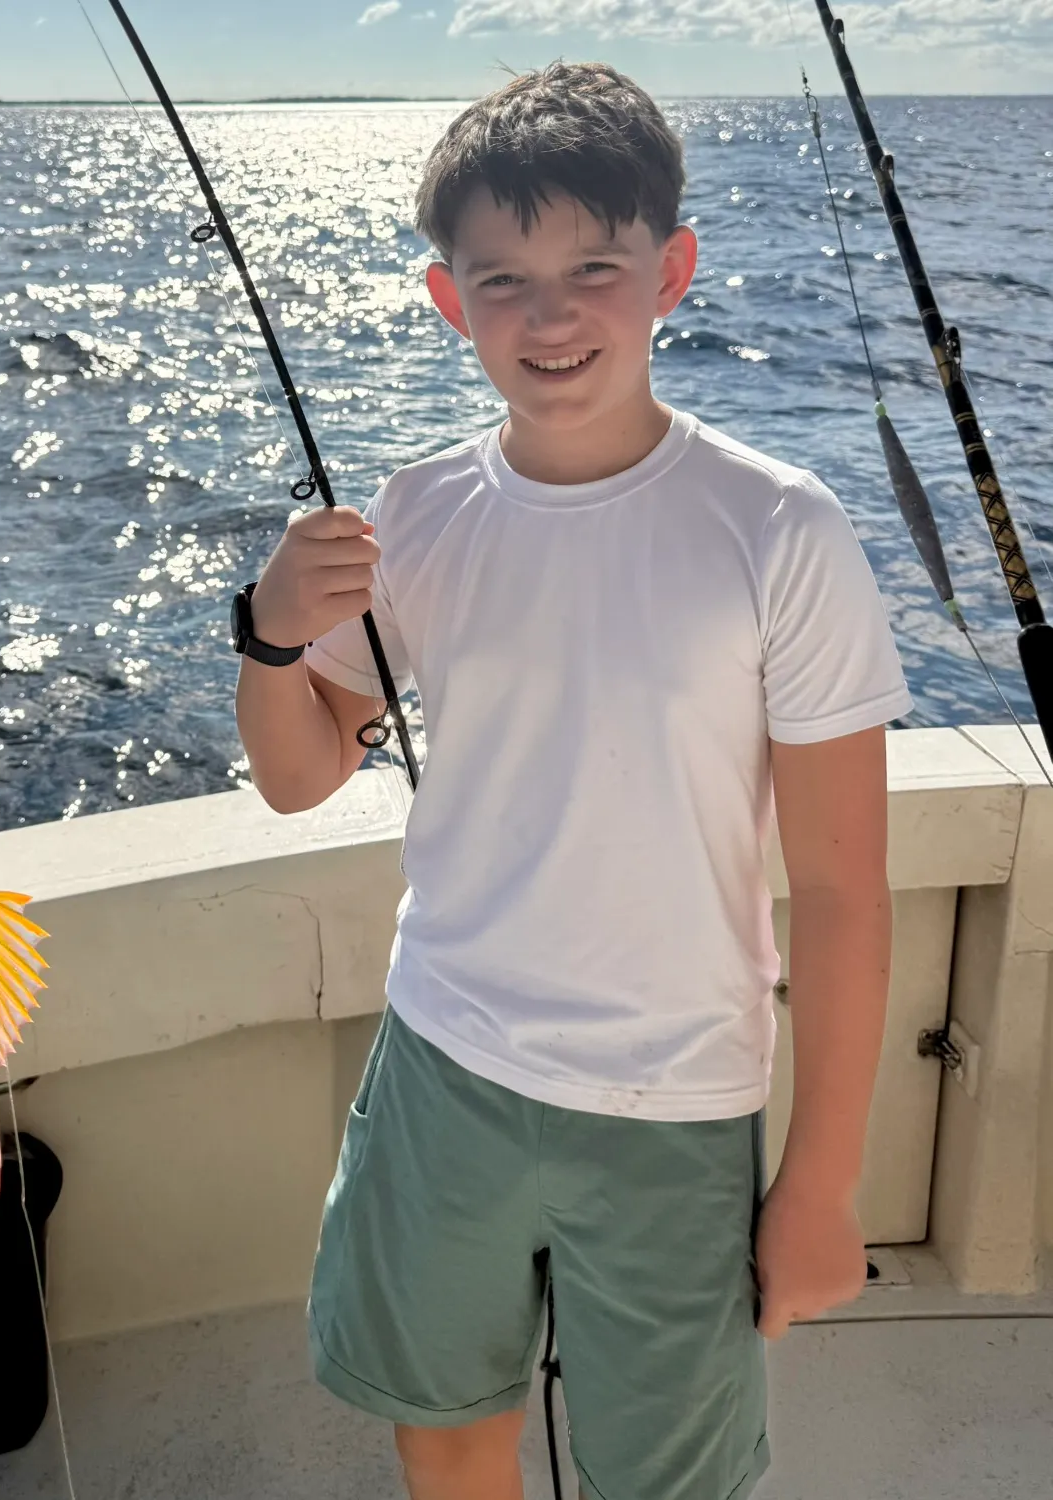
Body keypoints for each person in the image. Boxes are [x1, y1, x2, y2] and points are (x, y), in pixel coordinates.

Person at [229, 59, 910, 1500]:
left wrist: (821, 1185)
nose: (548, 317)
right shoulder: (413, 513)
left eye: (593, 268)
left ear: (671, 270)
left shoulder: (781, 530)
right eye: (501, 280)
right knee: (443, 1417)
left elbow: (845, 891)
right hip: (443, 1066)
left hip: (678, 1104)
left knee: (671, 1472)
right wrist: (270, 633)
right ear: (444, 300)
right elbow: (297, 778)